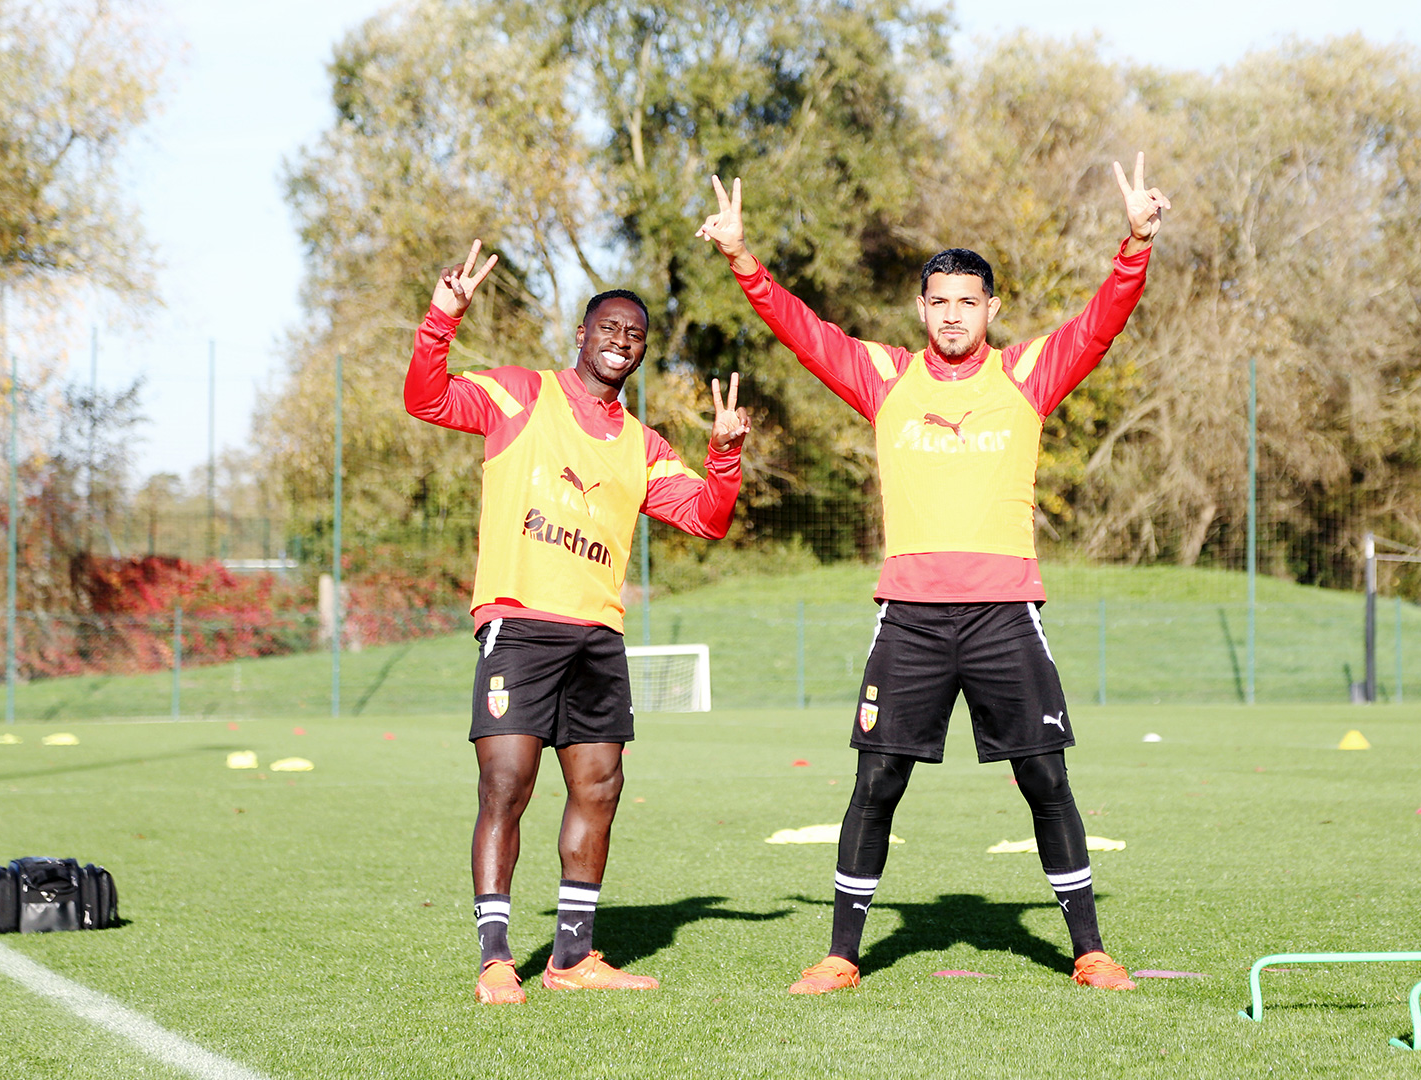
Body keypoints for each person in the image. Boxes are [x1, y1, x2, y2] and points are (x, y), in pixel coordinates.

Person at [698, 155, 1170, 994]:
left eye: (968, 302)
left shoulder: (1028, 375)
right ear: (921, 309)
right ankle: (842, 955)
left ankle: (1090, 950)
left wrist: (1133, 244)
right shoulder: (885, 378)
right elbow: (802, 332)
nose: (953, 315)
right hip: (910, 616)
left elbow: (1099, 324)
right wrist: (742, 259)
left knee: (1045, 776)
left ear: (990, 309)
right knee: (877, 779)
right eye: (940, 301)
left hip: (1003, 614)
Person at [404, 241, 751, 1004]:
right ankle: (497, 958)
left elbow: (705, 517)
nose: (621, 342)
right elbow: (427, 399)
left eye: (635, 336)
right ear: (583, 335)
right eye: (609, 328)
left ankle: (572, 958)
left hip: (598, 636)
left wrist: (722, 457)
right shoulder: (523, 396)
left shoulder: (641, 443)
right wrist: (444, 317)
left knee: (600, 785)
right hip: (521, 626)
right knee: (507, 785)